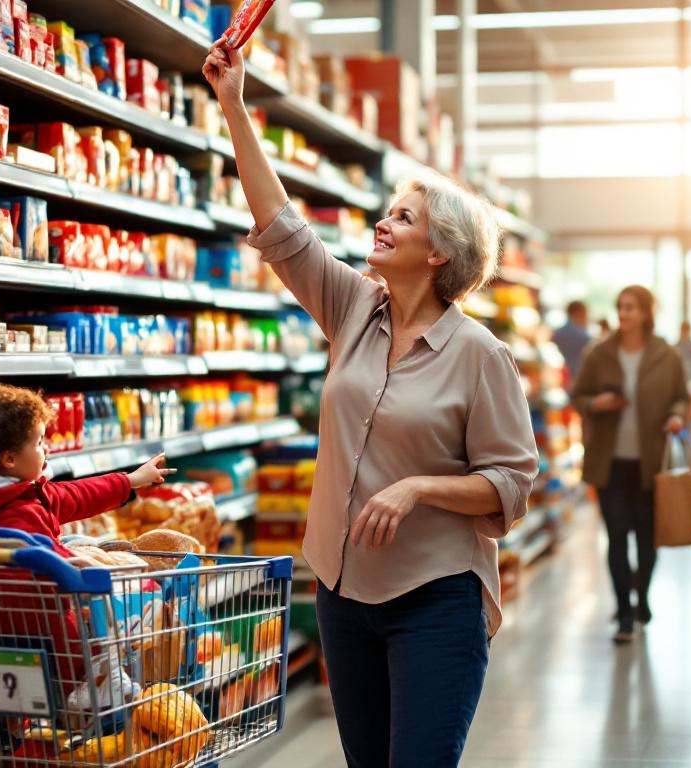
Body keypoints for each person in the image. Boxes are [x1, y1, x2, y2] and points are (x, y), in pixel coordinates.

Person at [204, 41, 538, 767]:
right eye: (388, 212)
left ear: (439, 254)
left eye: (403, 219)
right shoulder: (354, 307)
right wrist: (234, 103)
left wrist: (419, 488)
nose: (382, 224)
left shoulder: (481, 355)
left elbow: (511, 487)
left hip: (436, 600)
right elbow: (281, 226)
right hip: (341, 591)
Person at [0, 382, 173, 557]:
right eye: (39, 442)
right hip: (30, 623)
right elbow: (52, 579)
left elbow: (75, 495)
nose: (47, 448)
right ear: (9, 459)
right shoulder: (23, 517)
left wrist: (130, 480)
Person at [571, 286, 689, 644]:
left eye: (632, 308)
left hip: (650, 463)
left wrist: (677, 417)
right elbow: (578, 396)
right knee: (617, 538)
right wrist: (597, 403)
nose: (624, 314)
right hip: (610, 463)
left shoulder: (666, 356)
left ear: (647, 313)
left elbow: (681, 397)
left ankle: (641, 596)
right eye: (621, 307)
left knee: (648, 539)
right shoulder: (599, 353)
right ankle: (624, 612)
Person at [552, 300, 593, 381]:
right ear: (580, 313)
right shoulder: (586, 338)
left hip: (559, 378)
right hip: (577, 378)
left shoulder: (556, 333)